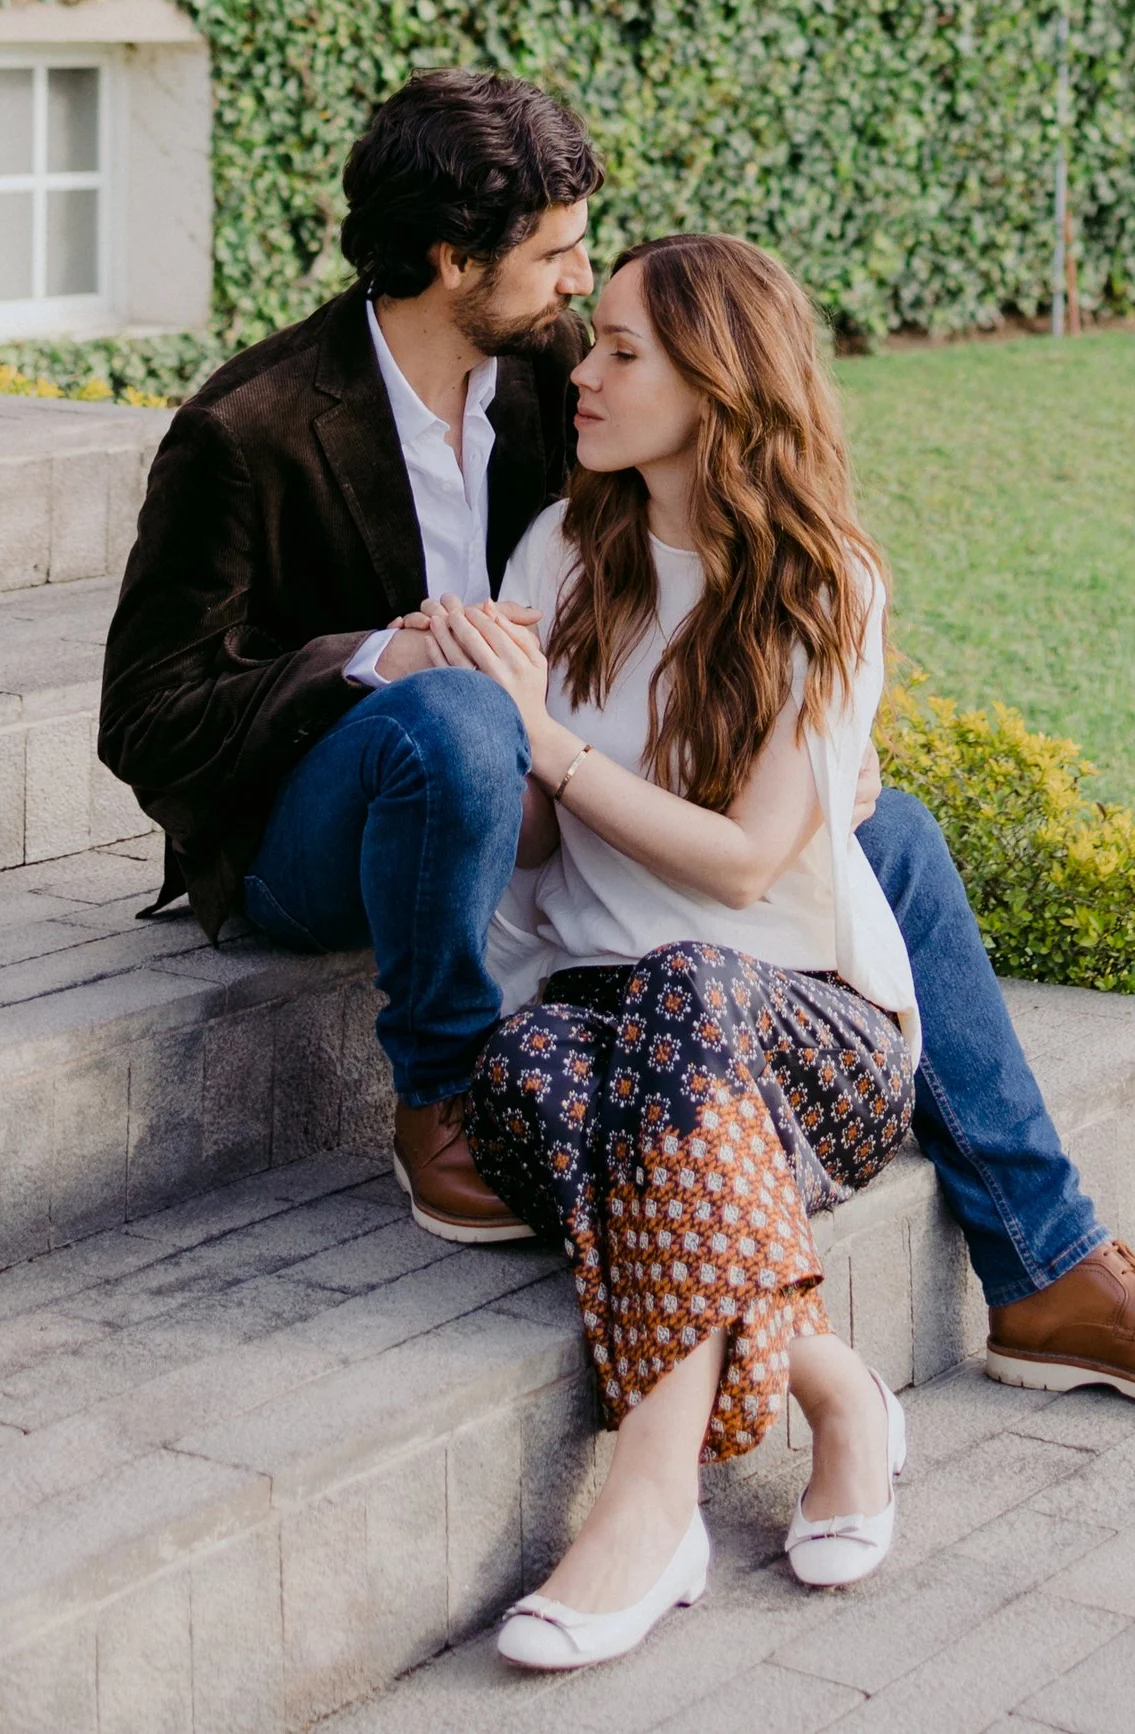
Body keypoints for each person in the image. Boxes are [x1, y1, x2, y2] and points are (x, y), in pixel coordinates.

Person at [98, 69, 1135, 1412]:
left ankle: (1048, 1265)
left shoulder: (558, 379)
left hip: (537, 795)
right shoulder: (244, 430)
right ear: (450, 257)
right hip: (322, 825)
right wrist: (382, 656)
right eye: (554, 252)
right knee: (456, 714)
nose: (578, 281)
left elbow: (704, 552)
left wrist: (820, 735)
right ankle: (435, 1093)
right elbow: (146, 715)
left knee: (878, 833)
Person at [434, 233, 914, 1664]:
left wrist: (554, 748)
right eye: (595, 341)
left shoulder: (826, 582)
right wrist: (487, 724)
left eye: (624, 348)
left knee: (682, 977)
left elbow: (748, 860)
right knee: (523, 1066)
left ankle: (650, 1497)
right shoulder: (563, 550)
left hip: (805, 1032)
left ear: (719, 379)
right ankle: (837, 1391)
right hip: (596, 1027)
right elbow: (530, 852)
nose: (581, 370)